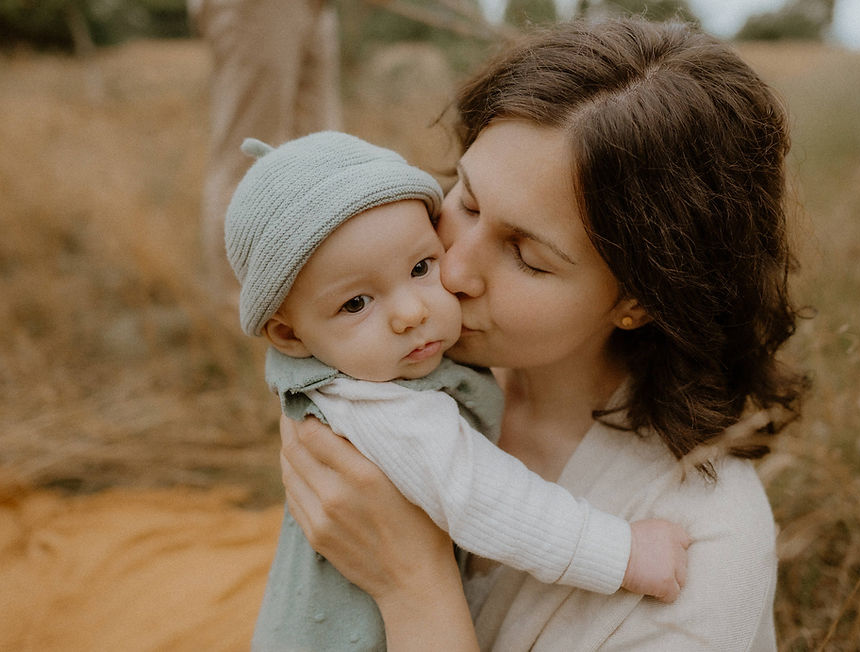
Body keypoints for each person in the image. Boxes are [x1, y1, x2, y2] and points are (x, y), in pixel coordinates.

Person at [276, 16, 809, 651]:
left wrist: (413, 586)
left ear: (640, 300)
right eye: (467, 202)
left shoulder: (707, 542)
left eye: (527, 255)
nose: (453, 268)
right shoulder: (405, 372)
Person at [223, 131, 692, 650]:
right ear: (288, 335)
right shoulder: (381, 408)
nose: (411, 313)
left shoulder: (362, 363)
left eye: (421, 267)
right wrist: (621, 553)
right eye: (356, 303)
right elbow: (484, 496)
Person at [189, 0, 343, 310]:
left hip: (315, 8)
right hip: (255, 7)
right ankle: (240, 305)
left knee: (324, 150)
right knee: (247, 153)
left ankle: (310, 288)